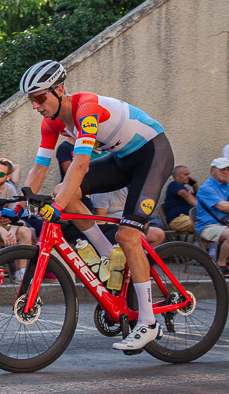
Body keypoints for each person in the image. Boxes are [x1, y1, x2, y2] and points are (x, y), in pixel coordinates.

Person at [21, 59, 173, 351]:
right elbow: (39, 168)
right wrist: (22, 199)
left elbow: (79, 165)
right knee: (64, 192)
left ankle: (148, 322)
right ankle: (106, 255)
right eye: (31, 100)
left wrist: (56, 206)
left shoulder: (86, 108)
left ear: (59, 89)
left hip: (152, 154)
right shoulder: (50, 123)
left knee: (127, 235)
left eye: (40, 97)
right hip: (122, 160)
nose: (36, 105)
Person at [92, 187, 166, 247]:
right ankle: (135, 261)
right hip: (114, 227)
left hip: (129, 223)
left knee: (159, 234)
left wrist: (140, 221)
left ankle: (145, 258)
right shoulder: (102, 194)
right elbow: (100, 221)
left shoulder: (123, 190)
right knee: (140, 236)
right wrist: (126, 224)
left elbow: (131, 209)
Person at [194, 158, 229, 276]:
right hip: (208, 226)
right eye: (222, 169)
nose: (225, 172)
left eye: (228, 169)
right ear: (212, 170)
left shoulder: (226, 186)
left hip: (224, 224)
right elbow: (222, 207)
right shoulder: (206, 188)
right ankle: (221, 265)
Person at [163, 165, 198, 235]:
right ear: (176, 177)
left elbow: (197, 198)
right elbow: (187, 196)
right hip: (177, 219)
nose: (189, 177)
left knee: (208, 222)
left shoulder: (184, 188)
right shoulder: (174, 185)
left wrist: (195, 186)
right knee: (203, 224)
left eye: (189, 174)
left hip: (188, 217)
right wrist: (202, 208)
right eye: (185, 174)